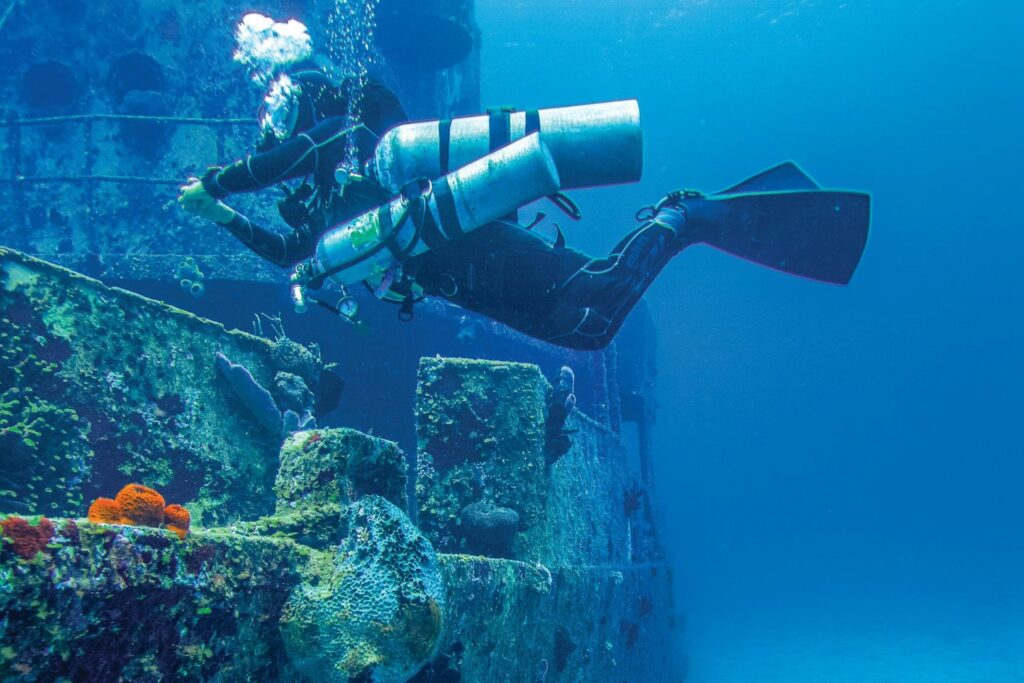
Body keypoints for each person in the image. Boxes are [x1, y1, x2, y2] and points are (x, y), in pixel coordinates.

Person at [180, 65, 870, 350]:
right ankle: (680, 223)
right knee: (588, 334)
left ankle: (681, 218)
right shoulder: (324, 217)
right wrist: (225, 219)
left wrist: (219, 179)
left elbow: (295, 153)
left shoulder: (351, 148)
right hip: (458, 282)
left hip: (478, 249)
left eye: (278, 115)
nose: (272, 133)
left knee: (592, 302)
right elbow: (292, 255)